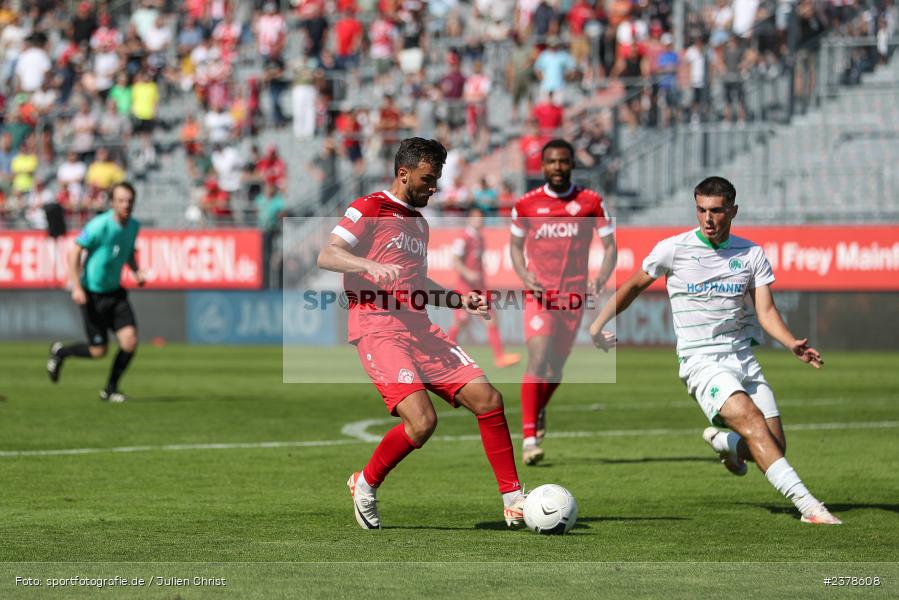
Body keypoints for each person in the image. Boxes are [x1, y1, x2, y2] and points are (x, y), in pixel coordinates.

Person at [588, 176, 841, 525]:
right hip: (701, 361)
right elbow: (632, 286)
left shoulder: (751, 253)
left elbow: (766, 311)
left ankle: (725, 442)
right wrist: (596, 324)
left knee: (773, 446)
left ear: (733, 211)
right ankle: (810, 507)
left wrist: (790, 343)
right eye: (701, 210)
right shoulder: (673, 249)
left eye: (717, 210)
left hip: (743, 359)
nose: (708, 218)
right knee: (753, 423)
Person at [317, 138, 525, 529]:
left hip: (420, 328)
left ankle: (514, 501)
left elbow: (419, 284)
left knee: (488, 399)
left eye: (438, 180)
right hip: (378, 328)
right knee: (422, 422)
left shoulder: (419, 224)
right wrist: (367, 265)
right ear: (403, 173)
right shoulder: (369, 208)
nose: (434, 188)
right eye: (428, 179)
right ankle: (365, 483)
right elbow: (327, 254)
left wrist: (462, 301)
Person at [510, 139, 617, 466]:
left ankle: (538, 408)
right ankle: (529, 439)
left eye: (563, 161)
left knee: (555, 369)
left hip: (573, 298)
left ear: (572, 164)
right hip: (539, 295)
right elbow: (515, 248)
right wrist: (524, 274)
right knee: (538, 358)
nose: (557, 167)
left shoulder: (591, 202)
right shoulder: (526, 204)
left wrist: (599, 278)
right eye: (552, 162)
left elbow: (611, 246)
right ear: (542, 166)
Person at [47, 182, 145, 403]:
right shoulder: (99, 225)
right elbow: (74, 253)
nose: (126, 204)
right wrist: (77, 286)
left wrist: (137, 272)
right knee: (98, 351)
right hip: (92, 293)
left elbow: (128, 251)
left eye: (129, 200)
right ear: (112, 202)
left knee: (129, 341)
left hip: (115, 292)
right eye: (121, 200)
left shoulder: (134, 226)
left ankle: (110, 390)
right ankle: (61, 352)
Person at [447, 207, 520, 368]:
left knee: (490, 317)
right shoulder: (463, 237)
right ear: (470, 219)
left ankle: (500, 356)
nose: (479, 220)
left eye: (481, 218)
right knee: (461, 321)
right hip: (465, 287)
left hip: (479, 288)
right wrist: (468, 273)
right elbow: (454, 259)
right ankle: (442, 354)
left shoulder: (479, 238)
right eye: (476, 217)